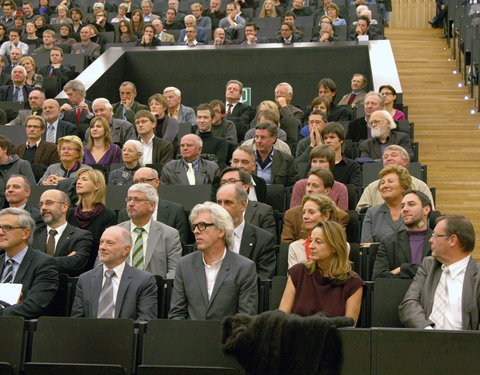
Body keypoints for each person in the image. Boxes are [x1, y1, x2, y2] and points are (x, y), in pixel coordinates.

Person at [169, 202, 258, 320]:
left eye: (202, 225)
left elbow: (246, 318)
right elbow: (176, 314)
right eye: (194, 226)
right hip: (191, 336)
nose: (196, 231)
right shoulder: (185, 264)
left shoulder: (244, 267)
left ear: (221, 231)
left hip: (228, 336)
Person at [399, 215, 480, 330]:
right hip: (426, 342)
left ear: (452, 240)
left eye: (435, 236)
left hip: (464, 344)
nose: (430, 240)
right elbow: (409, 303)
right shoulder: (429, 265)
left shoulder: (477, 275)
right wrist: (428, 331)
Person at [279, 221, 363, 324]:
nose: (311, 246)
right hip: (299, 337)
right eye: (311, 240)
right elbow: (281, 319)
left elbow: (349, 330)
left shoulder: (353, 283)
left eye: (318, 242)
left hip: (333, 338)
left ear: (334, 247)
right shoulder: (298, 273)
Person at [71, 226, 158, 322]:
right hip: (90, 336)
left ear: (126, 250)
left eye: (110, 243)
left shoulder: (143, 280)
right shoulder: (85, 279)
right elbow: (77, 321)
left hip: (126, 335)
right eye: (101, 242)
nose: (103, 247)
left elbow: (145, 321)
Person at [0, 207, 59, 318]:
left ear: (25, 233)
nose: (0, 232)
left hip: (21, 330)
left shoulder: (44, 264)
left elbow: (34, 306)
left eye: (7, 228)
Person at [114, 183, 182, 278]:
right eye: (129, 199)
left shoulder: (169, 234)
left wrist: (163, 289)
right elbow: (101, 265)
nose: (131, 204)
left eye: (137, 200)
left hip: (155, 290)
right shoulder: (114, 233)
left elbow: (174, 270)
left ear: (152, 205)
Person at [216, 184, 276, 280]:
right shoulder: (208, 236)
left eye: (228, 203)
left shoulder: (263, 239)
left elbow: (263, 279)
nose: (222, 208)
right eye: (219, 203)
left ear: (243, 205)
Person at [116, 167, 189, 245]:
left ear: (156, 182)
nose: (139, 185)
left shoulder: (175, 211)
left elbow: (180, 245)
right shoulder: (124, 214)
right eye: (136, 182)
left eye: (143, 181)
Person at [373, 190, 433, 280]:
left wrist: (403, 269)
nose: (405, 209)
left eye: (411, 204)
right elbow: (379, 278)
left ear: (426, 210)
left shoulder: (439, 240)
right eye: (402, 206)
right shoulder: (389, 242)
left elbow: (441, 272)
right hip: (399, 292)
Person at [33, 189, 93, 276]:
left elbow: (77, 263)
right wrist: (65, 260)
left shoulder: (81, 236)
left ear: (64, 207)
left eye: (49, 203)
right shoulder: (32, 234)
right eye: (41, 204)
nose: (43, 208)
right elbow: (23, 261)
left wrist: (37, 262)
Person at [357, 145, 435, 211]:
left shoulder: (420, 186)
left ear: (405, 161)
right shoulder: (371, 187)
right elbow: (361, 210)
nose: (389, 158)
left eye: (393, 155)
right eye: (385, 157)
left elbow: (429, 211)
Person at [67, 168, 117, 269]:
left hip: (96, 265)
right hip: (70, 263)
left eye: (84, 179)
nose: (79, 182)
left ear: (97, 186)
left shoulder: (108, 214)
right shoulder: (70, 213)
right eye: (78, 179)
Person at [282, 176, 348, 243]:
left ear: (325, 216)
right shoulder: (295, 246)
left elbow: (338, 244)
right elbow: (286, 246)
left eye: (311, 212)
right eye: (304, 212)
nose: (305, 216)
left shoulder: (340, 217)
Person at [218, 167, 276, 240]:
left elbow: (268, 242)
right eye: (223, 182)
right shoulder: (213, 212)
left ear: (245, 186)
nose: (226, 185)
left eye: (232, 181)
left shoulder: (263, 212)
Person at [361, 165, 412, 245]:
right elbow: (366, 247)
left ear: (403, 186)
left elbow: (418, 244)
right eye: (382, 183)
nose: (385, 186)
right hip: (378, 258)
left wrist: (377, 246)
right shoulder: (372, 213)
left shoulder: (415, 210)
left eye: (390, 181)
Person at [254, 121, 296, 186]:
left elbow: (291, 187)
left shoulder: (286, 160)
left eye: (263, 137)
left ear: (273, 139)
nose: (258, 141)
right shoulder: (247, 158)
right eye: (257, 137)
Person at [322, 122, 362, 188]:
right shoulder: (317, 163)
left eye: (332, 137)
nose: (328, 141)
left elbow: (354, 189)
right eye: (325, 138)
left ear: (341, 140)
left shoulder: (353, 166)